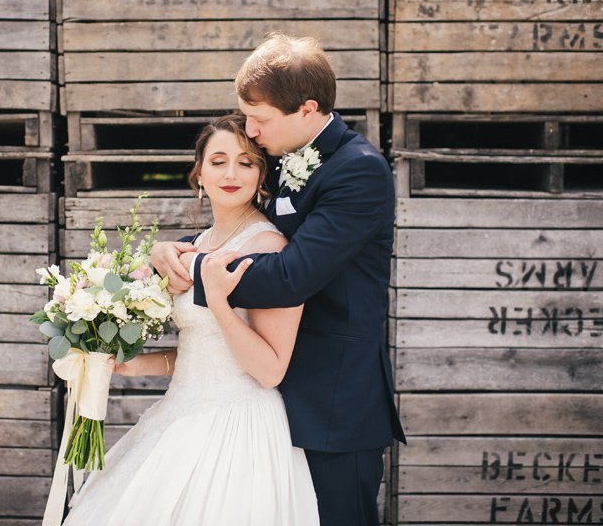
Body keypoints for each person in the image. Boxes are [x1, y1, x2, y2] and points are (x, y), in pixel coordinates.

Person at [152, 32, 406, 526]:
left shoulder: (359, 171)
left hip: (331, 402)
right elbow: (250, 228)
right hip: (264, 399)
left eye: (260, 119)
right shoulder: (290, 155)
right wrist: (175, 251)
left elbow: (292, 275)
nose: (250, 129)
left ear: (307, 109)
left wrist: (197, 270)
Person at [61, 114, 319, 525]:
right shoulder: (195, 245)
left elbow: (270, 370)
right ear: (199, 174)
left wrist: (217, 301)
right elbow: (202, 352)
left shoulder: (269, 247)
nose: (231, 173)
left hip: (237, 427)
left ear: (261, 175)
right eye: (218, 161)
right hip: (179, 414)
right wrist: (134, 364)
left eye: (246, 162)